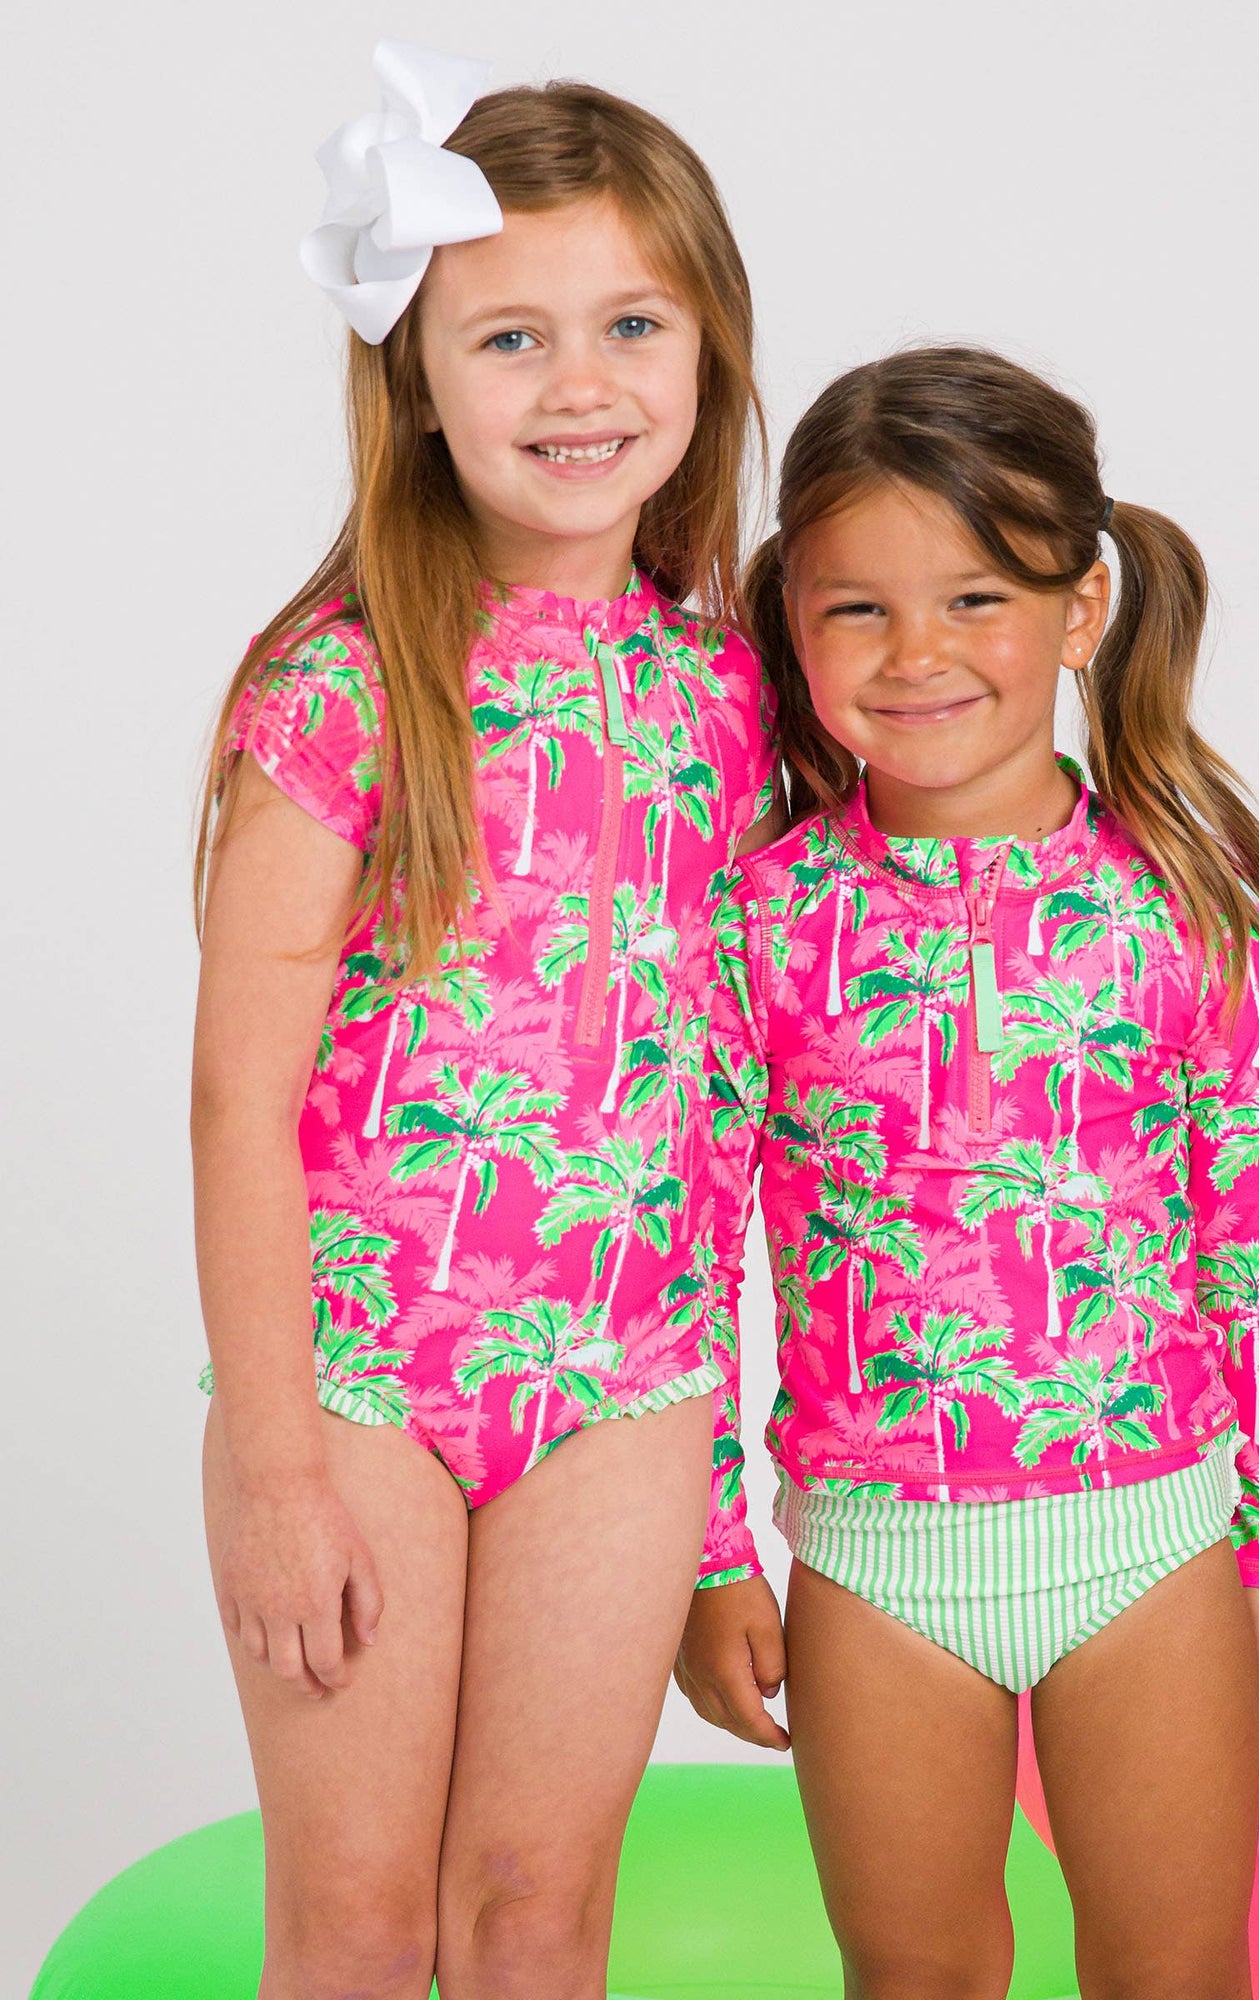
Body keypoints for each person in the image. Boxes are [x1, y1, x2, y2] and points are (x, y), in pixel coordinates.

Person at [190, 39, 775, 2000]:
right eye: (510, 337)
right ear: (418, 382)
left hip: (626, 1386)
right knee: (359, 1926)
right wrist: (277, 1474)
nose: (579, 382)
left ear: (708, 352)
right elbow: (236, 1099)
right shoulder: (343, 685)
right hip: (363, 1376)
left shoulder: (733, 696)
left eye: (630, 325)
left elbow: (721, 1112)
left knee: (535, 1918)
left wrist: (717, 1533)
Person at [676, 345, 1259, 1998]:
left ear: (1081, 607)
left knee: (1177, 1973)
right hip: (878, 1564)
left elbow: (1257, 1232)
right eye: (858, 610)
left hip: (1150, 1545)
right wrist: (713, 1553)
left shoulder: (1184, 888)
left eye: (975, 599)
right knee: (917, 1979)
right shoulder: (761, 919)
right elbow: (688, 1261)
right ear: (790, 620)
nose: (918, 655)